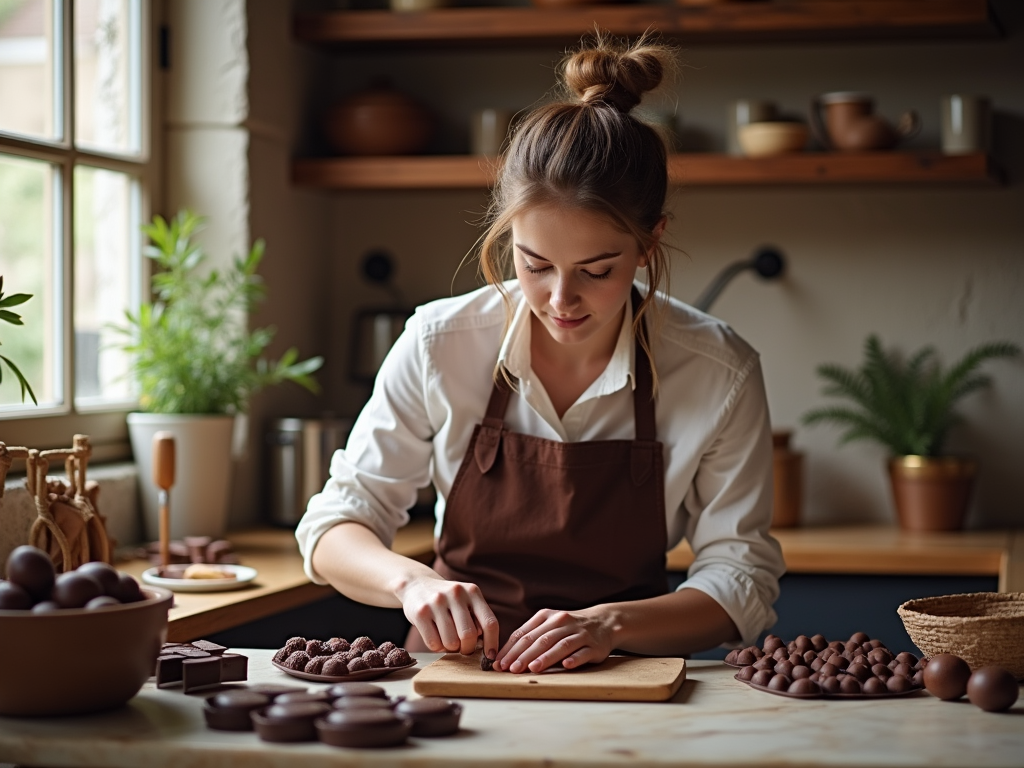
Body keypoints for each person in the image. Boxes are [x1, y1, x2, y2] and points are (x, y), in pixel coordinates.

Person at [296, 33, 784, 675]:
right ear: (508, 232)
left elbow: (741, 576)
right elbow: (336, 525)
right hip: (462, 670)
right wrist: (410, 584)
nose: (561, 299)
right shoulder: (439, 343)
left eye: (597, 270)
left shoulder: (718, 370)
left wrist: (609, 624)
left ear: (649, 241)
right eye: (534, 264)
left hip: (631, 668)